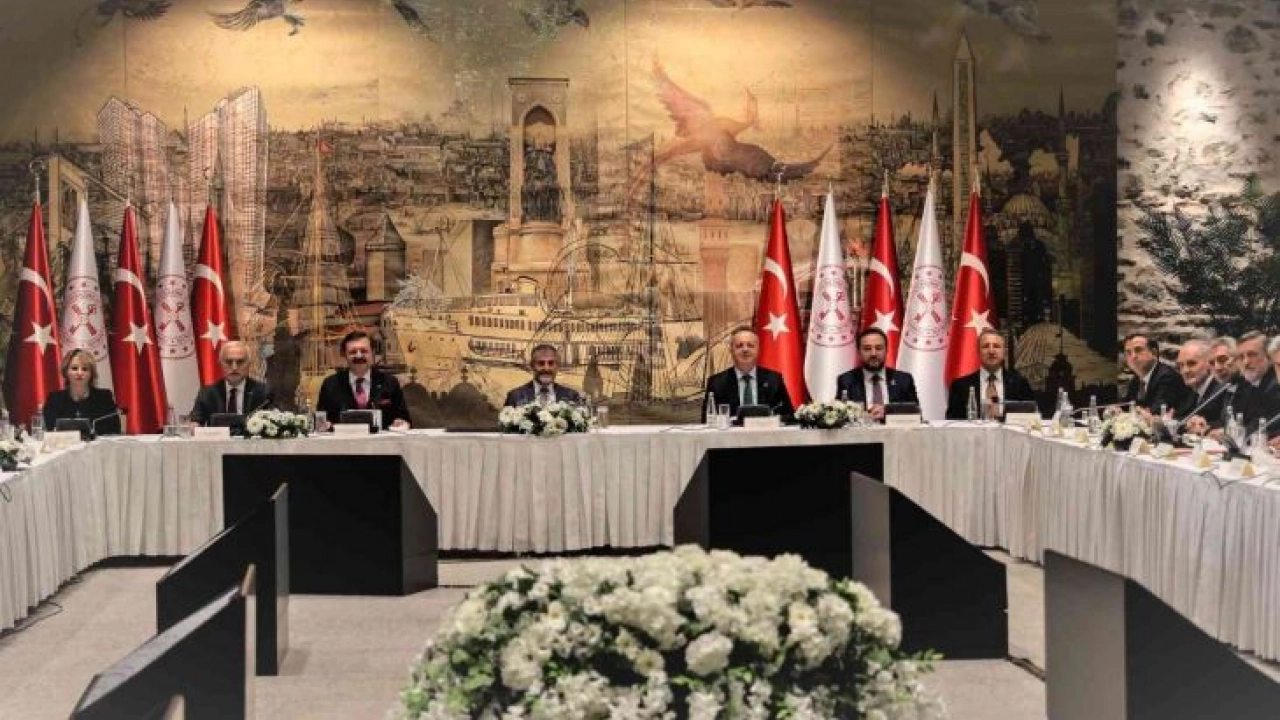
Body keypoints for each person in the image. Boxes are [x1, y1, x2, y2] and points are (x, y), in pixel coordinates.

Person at [316, 330, 411, 430]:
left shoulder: (390, 382)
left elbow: (404, 418)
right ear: (344, 355)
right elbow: (320, 421)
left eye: (364, 351)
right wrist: (324, 425)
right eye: (353, 352)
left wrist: (401, 422)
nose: (359, 356)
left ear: (372, 352)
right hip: (343, 439)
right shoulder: (330, 385)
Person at [702, 327, 794, 422]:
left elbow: (789, 417)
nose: (745, 349)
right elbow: (707, 420)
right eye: (739, 346)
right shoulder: (716, 383)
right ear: (731, 350)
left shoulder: (774, 380)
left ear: (758, 350)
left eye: (750, 345)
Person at [945, 329, 1034, 420]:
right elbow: (952, 422)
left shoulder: (1020, 384)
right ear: (978, 352)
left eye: (996, 346)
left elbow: (1030, 418)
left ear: (1004, 352)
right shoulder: (960, 386)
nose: (991, 351)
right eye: (986, 346)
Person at [835, 328, 917, 422]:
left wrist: (888, 412)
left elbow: (915, 413)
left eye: (878, 348)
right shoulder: (846, 380)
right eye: (867, 349)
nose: (873, 354)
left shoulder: (904, 379)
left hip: (896, 430)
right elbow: (839, 417)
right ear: (859, 352)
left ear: (887, 350)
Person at [190, 340, 274, 425]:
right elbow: (195, 421)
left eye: (240, 362)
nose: (234, 367)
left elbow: (273, 424)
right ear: (220, 363)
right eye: (229, 362)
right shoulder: (207, 393)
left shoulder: (263, 393)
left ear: (249, 364)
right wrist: (194, 425)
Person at [42, 349, 121, 435]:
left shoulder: (104, 398)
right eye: (74, 368)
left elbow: (114, 429)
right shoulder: (55, 399)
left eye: (85, 369)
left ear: (91, 374)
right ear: (66, 372)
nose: (79, 373)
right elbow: (49, 429)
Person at [1169, 339, 1229, 437]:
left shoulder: (1220, 388)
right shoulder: (1193, 388)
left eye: (1191, 363)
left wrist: (1201, 427)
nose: (1185, 370)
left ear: (1209, 363)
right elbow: (1183, 417)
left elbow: (1224, 424)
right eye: (1181, 365)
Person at [1121, 333, 1188, 413]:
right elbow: (1127, 405)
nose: (1133, 356)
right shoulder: (1136, 379)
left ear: (1154, 353)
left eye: (1138, 350)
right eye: (1128, 352)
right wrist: (1116, 409)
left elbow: (1157, 411)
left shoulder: (1167, 377)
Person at [503, 344, 582, 407]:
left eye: (551, 363)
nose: (546, 368)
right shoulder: (515, 396)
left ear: (558, 366)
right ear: (532, 366)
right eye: (541, 363)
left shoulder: (572, 396)